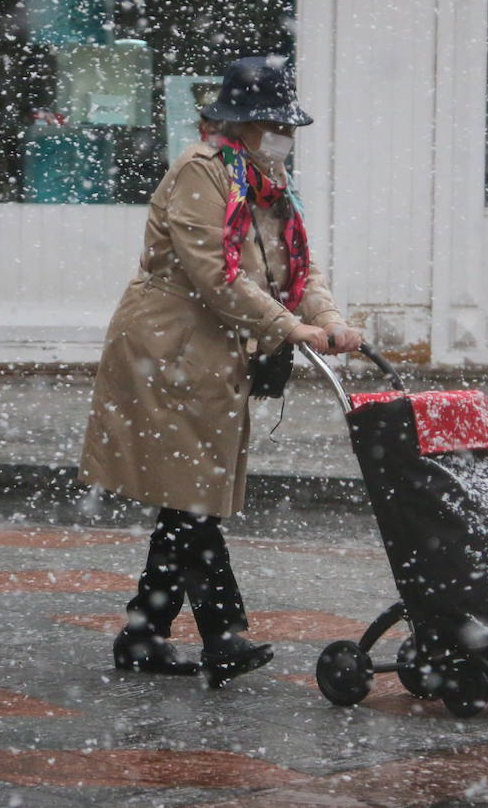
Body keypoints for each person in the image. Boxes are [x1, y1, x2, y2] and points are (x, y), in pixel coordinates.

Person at [78, 56, 362, 687]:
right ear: (240, 123)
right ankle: (222, 635)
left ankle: (144, 634)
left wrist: (331, 319)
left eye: (287, 124)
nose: (284, 135)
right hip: (167, 350)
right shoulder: (201, 174)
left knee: (191, 496)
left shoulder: (271, 181)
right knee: (196, 496)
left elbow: (298, 269)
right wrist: (289, 329)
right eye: (273, 123)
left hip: (214, 356)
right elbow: (218, 275)